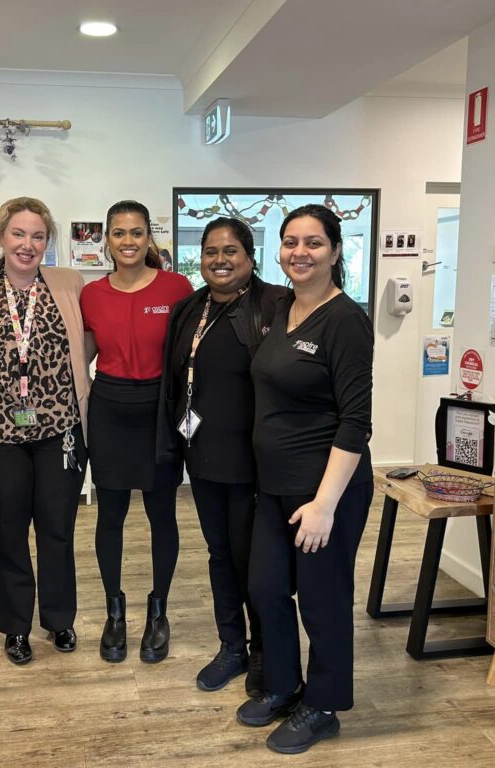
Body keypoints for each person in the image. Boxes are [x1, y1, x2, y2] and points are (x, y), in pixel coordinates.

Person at [236, 204, 374, 754]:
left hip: (323, 491)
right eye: (290, 242)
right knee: (265, 588)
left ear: (335, 251)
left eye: (313, 243)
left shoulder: (345, 320)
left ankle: (323, 705)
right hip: (274, 486)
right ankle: (284, 685)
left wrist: (324, 504)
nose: (300, 252)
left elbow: (356, 421)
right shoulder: (283, 308)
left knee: (322, 599)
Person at [0, 197, 89, 666]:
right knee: (8, 533)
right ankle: (15, 627)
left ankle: (59, 618)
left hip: (60, 429)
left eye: (37, 236)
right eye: (18, 234)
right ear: (1, 235)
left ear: (47, 241)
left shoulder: (69, 283)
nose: (27, 244)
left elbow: (88, 340)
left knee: (57, 530)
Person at [157, 217, 285, 694]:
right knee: (219, 555)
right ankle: (232, 646)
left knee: (255, 561)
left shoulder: (276, 305)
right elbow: (175, 381)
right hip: (204, 457)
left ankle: (264, 651)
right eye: (211, 251)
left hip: (255, 462)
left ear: (250, 257)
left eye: (230, 251)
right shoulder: (191, 308)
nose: (220, 260)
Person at [80, 200, 193, 663]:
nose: (128, 241)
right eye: (119, 233)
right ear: (106, 239)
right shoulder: (91, 294)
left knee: (161, 514)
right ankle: (115, 612)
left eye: (137, 232)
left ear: (150, 237)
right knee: (110, 516)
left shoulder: (177, 287)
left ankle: (158, 612)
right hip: (109, 408)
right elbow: (81, 355)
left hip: (158, 410)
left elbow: (191, 353)